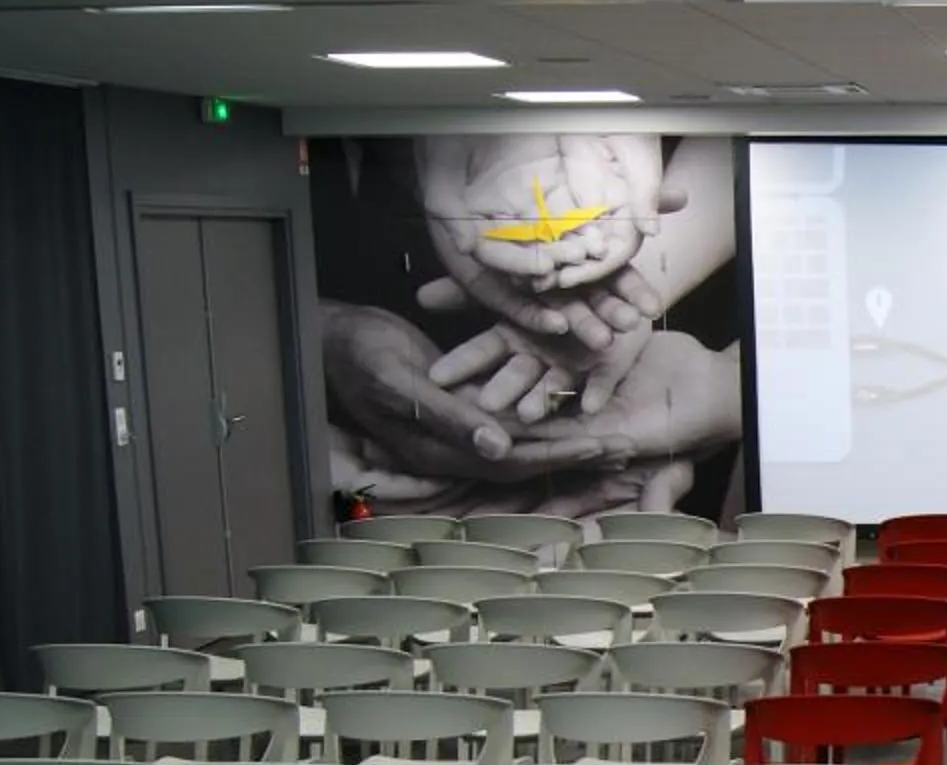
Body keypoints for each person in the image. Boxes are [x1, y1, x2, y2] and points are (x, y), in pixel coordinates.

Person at [313, 133, 739, 526]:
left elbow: (757, 126)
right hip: (383, 476)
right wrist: (322, 339)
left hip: (639, 464)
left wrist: (733, 390)